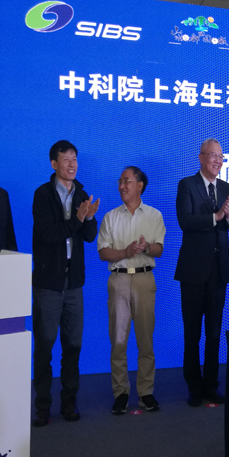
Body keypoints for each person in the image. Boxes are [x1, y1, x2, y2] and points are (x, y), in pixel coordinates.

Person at [31, 140, 99, 427]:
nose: (72, 164)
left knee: (73, 346)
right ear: (54, 164)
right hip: (48, 282)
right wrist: (77, 220)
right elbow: (48, 234)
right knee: (45, 346)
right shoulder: (43, 194)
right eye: (66, 159)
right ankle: (42, 405)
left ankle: (69, 401)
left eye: (75, 159)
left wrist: (89, 219)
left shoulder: (81, 193)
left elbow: (89, 237)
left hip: (74, 282)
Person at [175, 139, 229, 407]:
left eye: (221, 157)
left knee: (214, 332)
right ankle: (194, 386)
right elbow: (185, 221)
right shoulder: (186, 185)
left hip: (218, 271)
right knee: (192, 333)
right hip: (193, 271)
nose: (217, 161)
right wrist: (216, 216)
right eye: (212, 155)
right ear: (201, 157)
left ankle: (211, 385)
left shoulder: (226, 188)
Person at [98, 167, 165, 415]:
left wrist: (146, 247)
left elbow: (159, 249)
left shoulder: (154, 215)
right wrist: (125, 252)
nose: (121, 186)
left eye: (126, 181)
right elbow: (103, 252)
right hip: (118, 280)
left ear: (140, 185)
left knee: (145, 340)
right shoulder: (110, 217)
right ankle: (121, 392)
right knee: (118, 341)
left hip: (145, 280)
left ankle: (145, 392)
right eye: (120, 181)